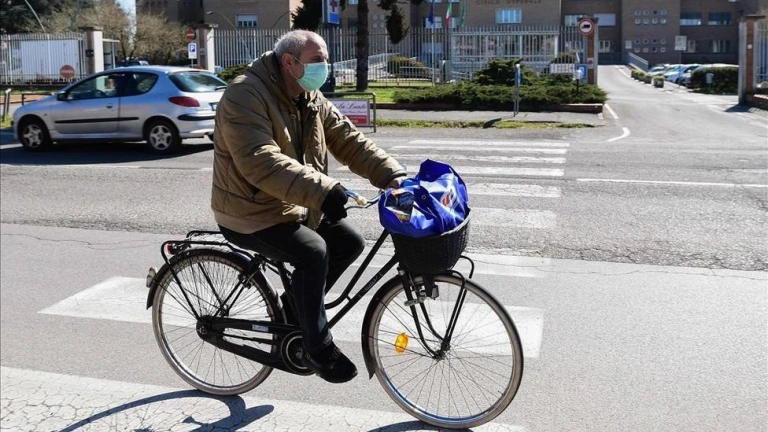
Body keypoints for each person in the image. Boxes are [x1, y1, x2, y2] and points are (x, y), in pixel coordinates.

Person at [211, 30, 406, 384]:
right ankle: (318, 349)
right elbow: (258, 161)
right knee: (314, 252)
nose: (325, 67)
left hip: (294, 202)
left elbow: (348, 139)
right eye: (318, 60)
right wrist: (324, 190)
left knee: (349, 242)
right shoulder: (245, 93)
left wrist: (392, 176)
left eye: (325, 60)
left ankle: (293, 310)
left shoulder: (309, 95)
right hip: (249, 211)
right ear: (290, 62)